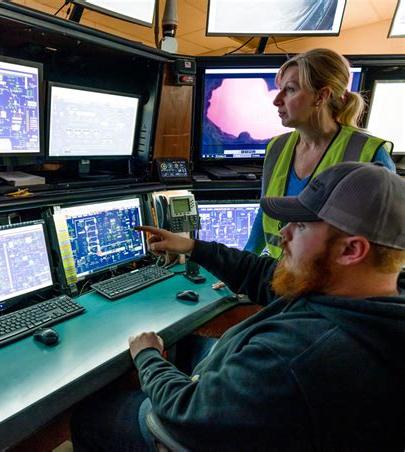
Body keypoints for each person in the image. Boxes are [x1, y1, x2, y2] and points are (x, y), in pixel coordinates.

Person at [71, 162, 405, 451]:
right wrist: (193, 247)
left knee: (90, 415)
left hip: (193, 426)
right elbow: (263, 274)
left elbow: (187, 411)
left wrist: (148, 358)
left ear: (350, 250)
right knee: (194, 344)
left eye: (301, 226)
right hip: (266, 416)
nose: (283, 234)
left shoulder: (294, 356)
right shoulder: (369, 293)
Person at [243, 48, 395, 259]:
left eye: (290, 90)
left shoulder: (370, 154)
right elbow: (265, 215)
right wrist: (243, 264)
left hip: (337, 277)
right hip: (284, 272)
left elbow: (387, 244)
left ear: (321, 96)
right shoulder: (277, 147)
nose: (276, 100)